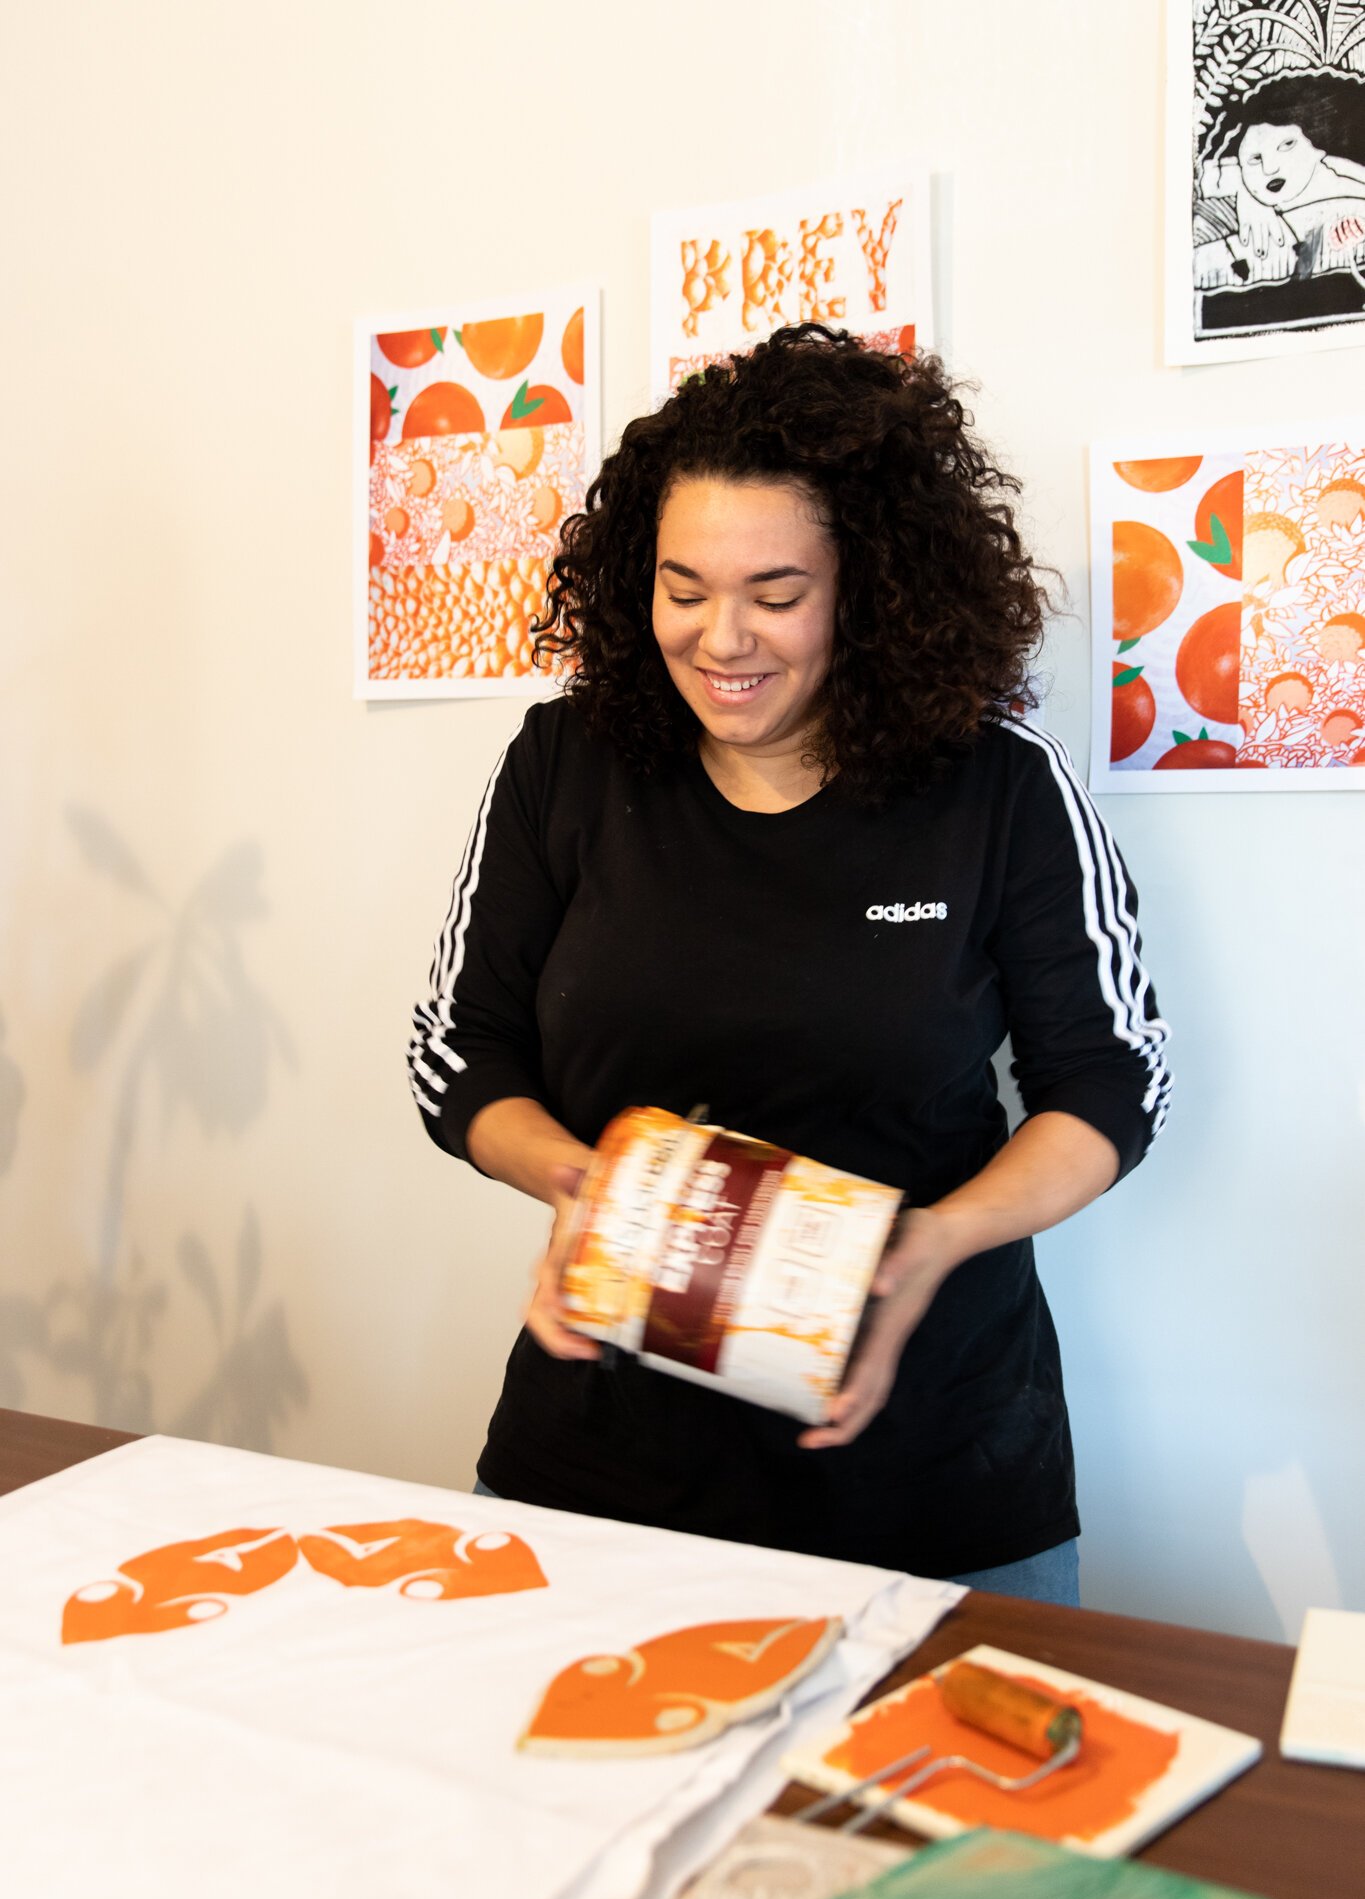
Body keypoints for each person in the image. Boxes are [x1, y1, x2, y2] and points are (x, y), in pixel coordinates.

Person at [408, 326, 1169, 1605]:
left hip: (930, 1474)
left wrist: (934, 1242)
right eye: (683, 586)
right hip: (601, 1476)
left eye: (776, 592)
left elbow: (1108, 1087)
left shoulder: (997, 790)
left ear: (867, 588)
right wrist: (581, 1188)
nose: (721, 638)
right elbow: (457, 1051)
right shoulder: (567, 767)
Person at [1195, 69, 1365, 291]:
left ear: (1318, 145)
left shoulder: (1341, 176)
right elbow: (1204, 178)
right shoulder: (1229, 189)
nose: (1270, 168)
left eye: (1287, 145)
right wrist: (1246, 196)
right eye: (1255, 159)